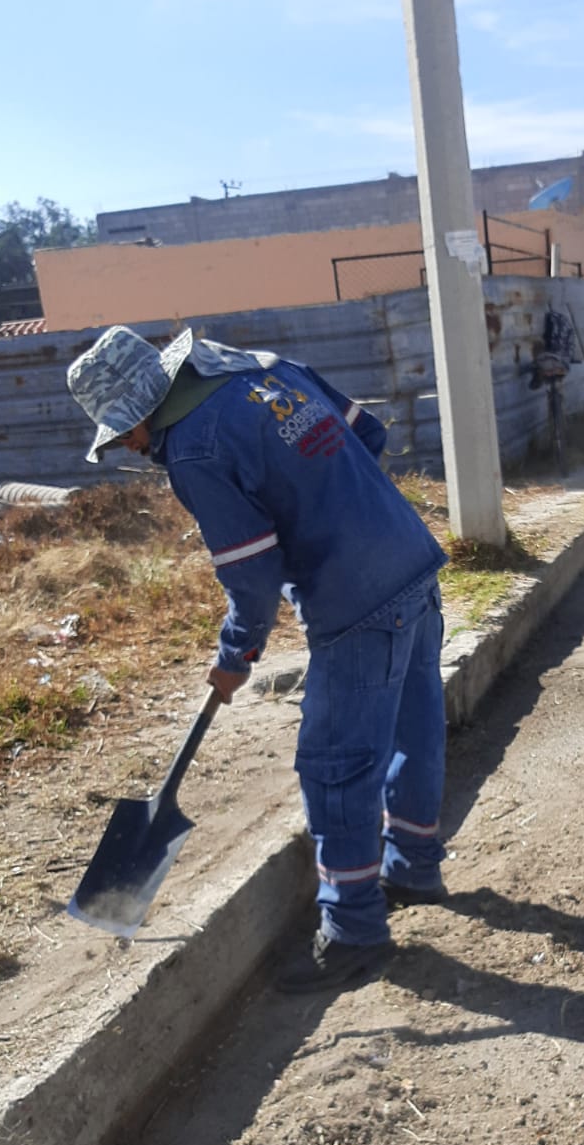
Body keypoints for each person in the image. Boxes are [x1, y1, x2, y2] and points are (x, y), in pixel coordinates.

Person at [67, 325, 448, 991]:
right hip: (412, 561)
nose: (128, 444)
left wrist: (235, 654)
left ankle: (354, 930)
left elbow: (252, 576)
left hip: (356, 601)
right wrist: (334, 501)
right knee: (414, 729)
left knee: (334, 765)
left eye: (123, 430)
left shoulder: (192, 448)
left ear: (141, 414)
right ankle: (414, 866)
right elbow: (371, 435)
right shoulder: (267, 367)